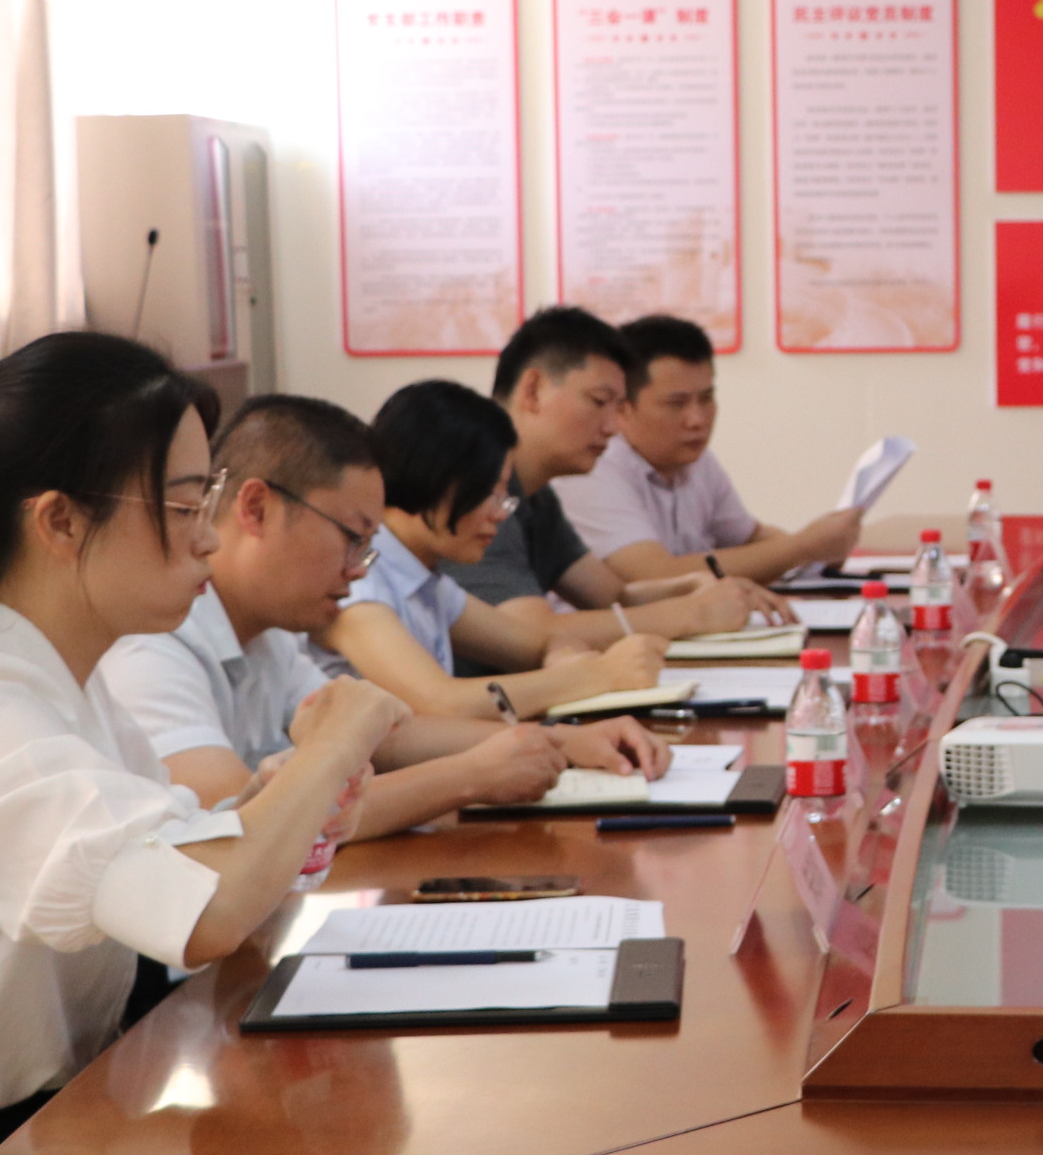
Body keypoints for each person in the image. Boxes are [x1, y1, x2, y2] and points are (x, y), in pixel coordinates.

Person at [0, 332, 408, 1155]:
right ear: (60, 522)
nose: (208, 540)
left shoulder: (64, 678)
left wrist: (290, 795)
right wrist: (332, 749)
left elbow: (178, 857)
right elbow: (206, 913)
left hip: (50, 1128)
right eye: (186, 505)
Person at [103, 393, 665, 840]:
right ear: (256, 508)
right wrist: (471, 776)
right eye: (351, 538)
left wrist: (557, 743)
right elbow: (238, 827)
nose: (357, 571)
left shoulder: (270, 637)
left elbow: (384, 736)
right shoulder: (153, 645)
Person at [311, 380, 670, 720]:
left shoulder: (424, 577)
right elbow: (441, 703)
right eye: (489, 492)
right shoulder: (358, 583)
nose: (500, 514)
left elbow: (542, 643)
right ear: (434, 476)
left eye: (504, 495)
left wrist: (564, 658)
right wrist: (599, 674)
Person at [444, 306, 790, 658]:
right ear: (533, 391)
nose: (612, 427)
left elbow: (613, 596)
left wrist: (694, 588)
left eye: (617, 407)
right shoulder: (472, 484)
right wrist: (693, 614)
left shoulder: (535, 492)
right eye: (599, 402)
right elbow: (527, 632)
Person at [558, 313, 863, 586]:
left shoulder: (695, 459)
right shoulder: (593, 468)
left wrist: (817, 555)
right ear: (623, 408)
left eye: (706, 399)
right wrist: (801, 548)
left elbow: (751, 539)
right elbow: (655, 574)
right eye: (676, 404)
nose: (697, 419)